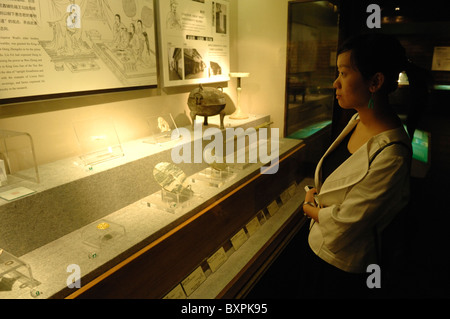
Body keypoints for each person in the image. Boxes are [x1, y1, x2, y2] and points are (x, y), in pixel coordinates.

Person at [301, 33, 415, 298]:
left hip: (342, 268)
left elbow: (347, 223)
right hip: (316, 248)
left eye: (343, 73)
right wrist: (316, 194)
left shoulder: (392, 154)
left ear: (375, 81)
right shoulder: (357, 121)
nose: (335, 83)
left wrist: (310, 208)